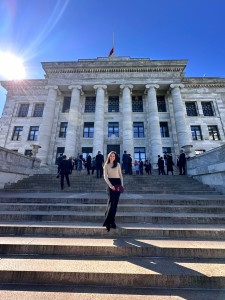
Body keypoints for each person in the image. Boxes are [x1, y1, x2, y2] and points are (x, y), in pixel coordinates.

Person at [103, 151, 124, 232]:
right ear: (109, 156)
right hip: (110, 184)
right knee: (111, 203)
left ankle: (112, 221)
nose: (112, 157)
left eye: (113, 156)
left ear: (115, 157)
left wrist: (122, 185)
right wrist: (110, 185)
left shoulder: (118, 164)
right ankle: (107, 221)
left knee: (115, 204)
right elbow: (105, 177)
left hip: (118, 184)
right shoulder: (106, 165)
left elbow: (121, 175)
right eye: (111, 156)